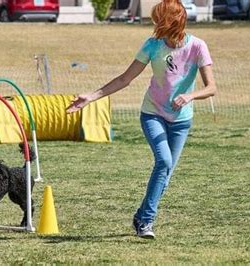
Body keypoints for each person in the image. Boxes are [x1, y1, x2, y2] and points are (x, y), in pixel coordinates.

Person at [66, 0, 216, 239]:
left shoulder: (197, 46)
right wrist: (91, 97)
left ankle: (141, 216)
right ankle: (146, 222)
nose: (155, 24)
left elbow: (212, 88)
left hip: (181, 121)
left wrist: (189, 96)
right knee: (164, 162)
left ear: (173, 22)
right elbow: (125, 79)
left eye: (160, 20)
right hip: (153, 114)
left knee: (165, 172)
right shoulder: (152, 45)